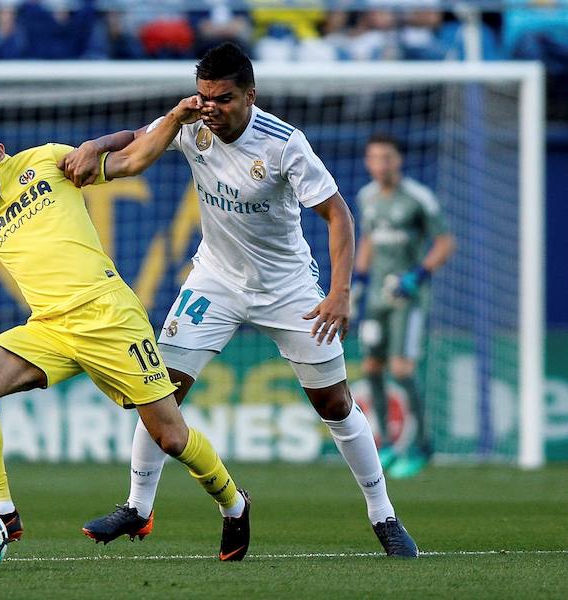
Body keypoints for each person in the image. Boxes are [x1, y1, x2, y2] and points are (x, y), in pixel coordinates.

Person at [60, 42, 418, 558]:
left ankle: (383, 515)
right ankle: (138, 508)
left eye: (223, 99)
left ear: (250, 95)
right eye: (204, 97)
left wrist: (339, 293)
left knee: (335, 403)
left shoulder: (284, 143)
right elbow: (139, 137)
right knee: (158, 392)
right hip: (215, 281)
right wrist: (96, 143)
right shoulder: (193, 122)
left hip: (287, 287)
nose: (211, 108)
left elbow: (339, 214)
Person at [0, 108, 253, 561]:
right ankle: (2, 512)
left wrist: (162, 121)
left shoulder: (47, 162)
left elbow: (131, 157)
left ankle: (234, 504)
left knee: (170, 438)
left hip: (109, 317)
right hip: (51, 328)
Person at [351, 134, 455, 478]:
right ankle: (387, 445)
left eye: (387, 158)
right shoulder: (366, 197)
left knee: (401, 370)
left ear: (399, 161)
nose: (380, 165)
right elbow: (367, 240)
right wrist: (360, 283)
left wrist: (418, 275)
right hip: (377, 299)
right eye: (374, 158)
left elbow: (445, 242)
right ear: (368, 163)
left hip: (408, 299)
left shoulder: (418, 198)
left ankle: (423, 444)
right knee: (372, 368)